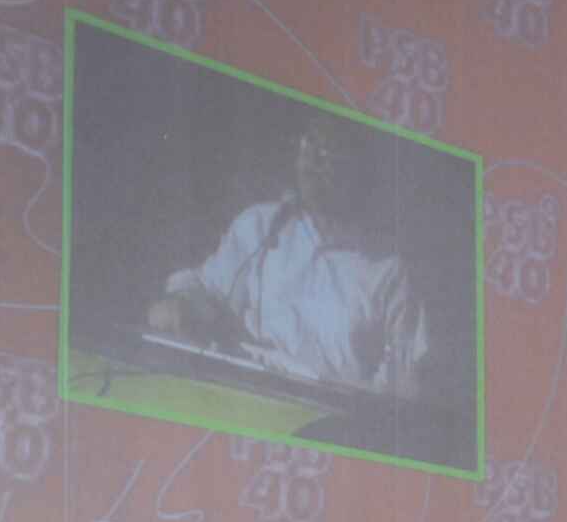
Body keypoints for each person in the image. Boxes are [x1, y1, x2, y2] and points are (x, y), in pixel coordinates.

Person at [148, 118, 429, 398]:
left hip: (330, 414)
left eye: (329, 151)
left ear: (359, 168)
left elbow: (402, 389)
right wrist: (181, 303)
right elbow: (207, 289)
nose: (314, 160)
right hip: (243, 395)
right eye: (309, 144)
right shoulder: (261, 225)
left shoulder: (390, 271)